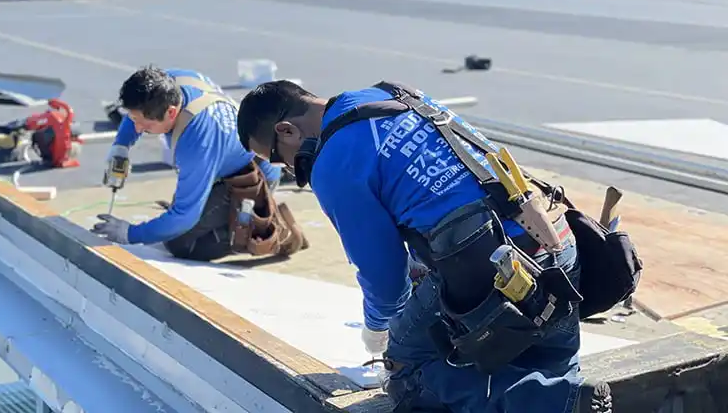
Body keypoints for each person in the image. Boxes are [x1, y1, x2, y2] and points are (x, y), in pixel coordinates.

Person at [236, 80, 613, 413]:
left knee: (408, 367)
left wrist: (377, 331)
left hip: (497, 271)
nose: (286, 170)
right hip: (557, 245)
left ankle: (557, 403)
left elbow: (385, 279)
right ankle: (570, 397)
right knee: (549, 363)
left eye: (275, 158)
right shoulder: (393, 95)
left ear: (286, 131)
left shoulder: (333, 162)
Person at [91, 66, 308, 261]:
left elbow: (184, 217)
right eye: (134, 120)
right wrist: (121, 145)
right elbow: (136, 112)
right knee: (176, 219)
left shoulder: (197, 142)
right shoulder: (169, 84)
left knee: (180, 243)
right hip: (225, 161)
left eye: (143, 124)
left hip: (251, 176)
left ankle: (274, 231)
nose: (137, 128)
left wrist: (130, 233)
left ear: (171, 113)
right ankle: (233, 213)